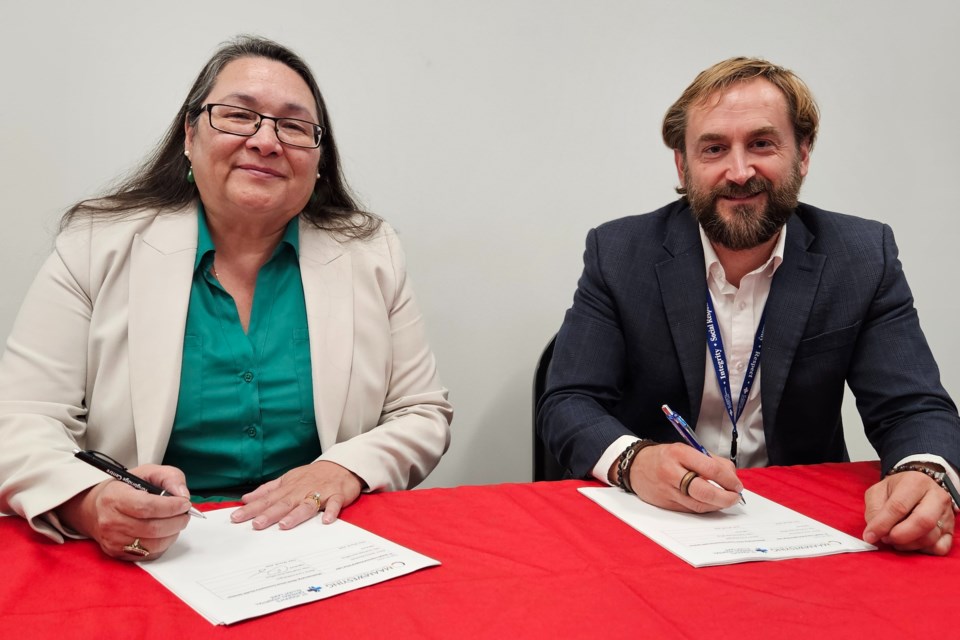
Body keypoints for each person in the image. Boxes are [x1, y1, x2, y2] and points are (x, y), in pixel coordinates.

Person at [0, 36, 452, 561]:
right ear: (189, 136)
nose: (265, 141)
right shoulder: (96, 243)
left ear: (319, 160)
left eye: (294, 126)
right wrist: (91, 500)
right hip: (152, 555)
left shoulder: (371, 252)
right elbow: (20, 419)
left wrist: (343, 469)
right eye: (238, 116)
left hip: (319, 547)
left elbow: (420, 413)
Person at [538, 57, 960, 555]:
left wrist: (925, 471)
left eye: (761, 144)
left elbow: (912, 406)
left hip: (804, 527)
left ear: (802, 154)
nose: (739, 172)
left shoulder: (861, 257)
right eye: (714, 149)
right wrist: (635, 461)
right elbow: (568, 402)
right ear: (683, 165)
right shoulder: (620, 252)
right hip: (651, 522)